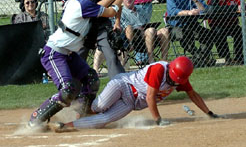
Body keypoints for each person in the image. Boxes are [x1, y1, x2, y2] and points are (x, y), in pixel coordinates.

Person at [28, 0, 131, 127]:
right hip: (54, 53)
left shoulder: (77, 3)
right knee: (68, 90)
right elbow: (111, 11)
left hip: (68, 54)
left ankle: (81, 113)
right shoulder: (81, 4)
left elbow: (99, 6)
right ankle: (36, 119)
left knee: (91, 79)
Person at [54, 56, 219, 131]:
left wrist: (209, 113)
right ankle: (71, 104)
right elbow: (150, 97)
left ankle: (65, 126)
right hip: (123, 84)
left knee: (105, 119)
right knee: (99, 106)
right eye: (174, 77)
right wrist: (158, 120)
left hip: (130, 102)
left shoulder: (180, 78)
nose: (174, 81)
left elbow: (193, 95)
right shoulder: (159, 69)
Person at [79, 0, 125, 79]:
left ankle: (120, 86)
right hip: (85, 27)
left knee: (111, 55)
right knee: (78, 58)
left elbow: (118, 1)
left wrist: (117, 22)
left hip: (102, 25)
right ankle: (73, 89)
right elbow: (92, 9)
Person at [166, 0, 215, 67]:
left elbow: (204, 10)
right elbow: (173, 11)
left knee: (209, 35)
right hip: (177, 26)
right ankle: (200, 59)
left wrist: (195, 1)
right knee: (185, 38)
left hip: (193, 24)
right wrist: (188, 12)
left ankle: (197, 60)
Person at [207, 0, 243, 64]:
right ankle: (226, 58)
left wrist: (240, 6)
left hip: (231, 24)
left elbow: (241, 5)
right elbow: (213, 10)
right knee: (218, 33)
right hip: (217, 25)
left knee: (240, 32)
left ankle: (239, 58)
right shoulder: (212, 0)